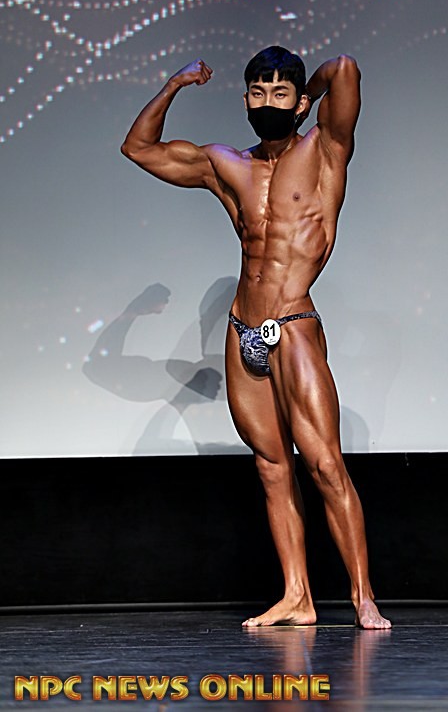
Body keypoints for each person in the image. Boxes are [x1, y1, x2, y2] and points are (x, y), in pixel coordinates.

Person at [121, 46, 391, 629]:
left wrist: (307, 90)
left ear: (298, 103)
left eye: (279, 93)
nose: (268, 101)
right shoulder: (226, 164)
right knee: (271, 467)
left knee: (324, 465)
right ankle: (297, 596)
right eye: (259, 92)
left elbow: (345, 67)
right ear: (245, 100)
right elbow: (138, 148)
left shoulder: (325, 149)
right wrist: (173, 85)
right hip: (243, 327)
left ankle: (363, 596)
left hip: (293, 324)